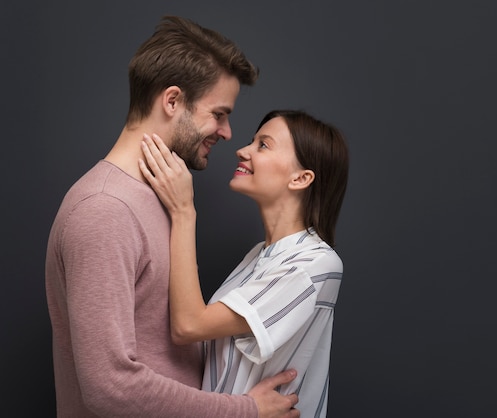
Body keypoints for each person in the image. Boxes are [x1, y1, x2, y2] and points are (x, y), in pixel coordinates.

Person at [45, 15, 300, 418]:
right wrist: (244, 411)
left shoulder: (161, 196)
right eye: (219, 113)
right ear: (172, 101)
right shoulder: (104, 210)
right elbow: (109, 387)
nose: (228, 132)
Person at [138, 109, 350, 418]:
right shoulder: (258, 255)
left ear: (301, 178)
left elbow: (189, 325)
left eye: (263, 145)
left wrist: (184, 211)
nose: (242, 150)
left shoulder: (316, 264)